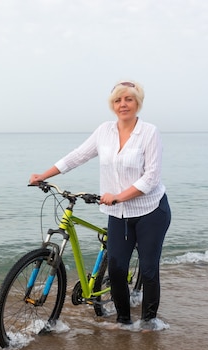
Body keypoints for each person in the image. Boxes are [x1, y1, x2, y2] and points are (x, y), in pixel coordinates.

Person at [29, 80, 171, 329]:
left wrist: (118, 195)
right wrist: (44, 175)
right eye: (118, 100)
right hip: (118, 213)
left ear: (138, 103)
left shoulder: (149, 132)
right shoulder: (104, 131)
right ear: (112, 105)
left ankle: (149, 322)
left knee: (148, 269)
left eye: (128, 99)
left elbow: (151, 178)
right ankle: (124, 322)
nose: (123, 104)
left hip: (151, 211)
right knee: (116, 269)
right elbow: (78, 156)